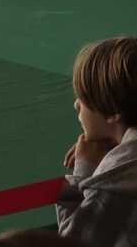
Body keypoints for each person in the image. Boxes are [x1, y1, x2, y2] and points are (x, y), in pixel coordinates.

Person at [58, 36, 137, 246]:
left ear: (113, 113)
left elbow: (71, 242)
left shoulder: (114, 184)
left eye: (84, 98)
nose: (76, 105)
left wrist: (84, 171)